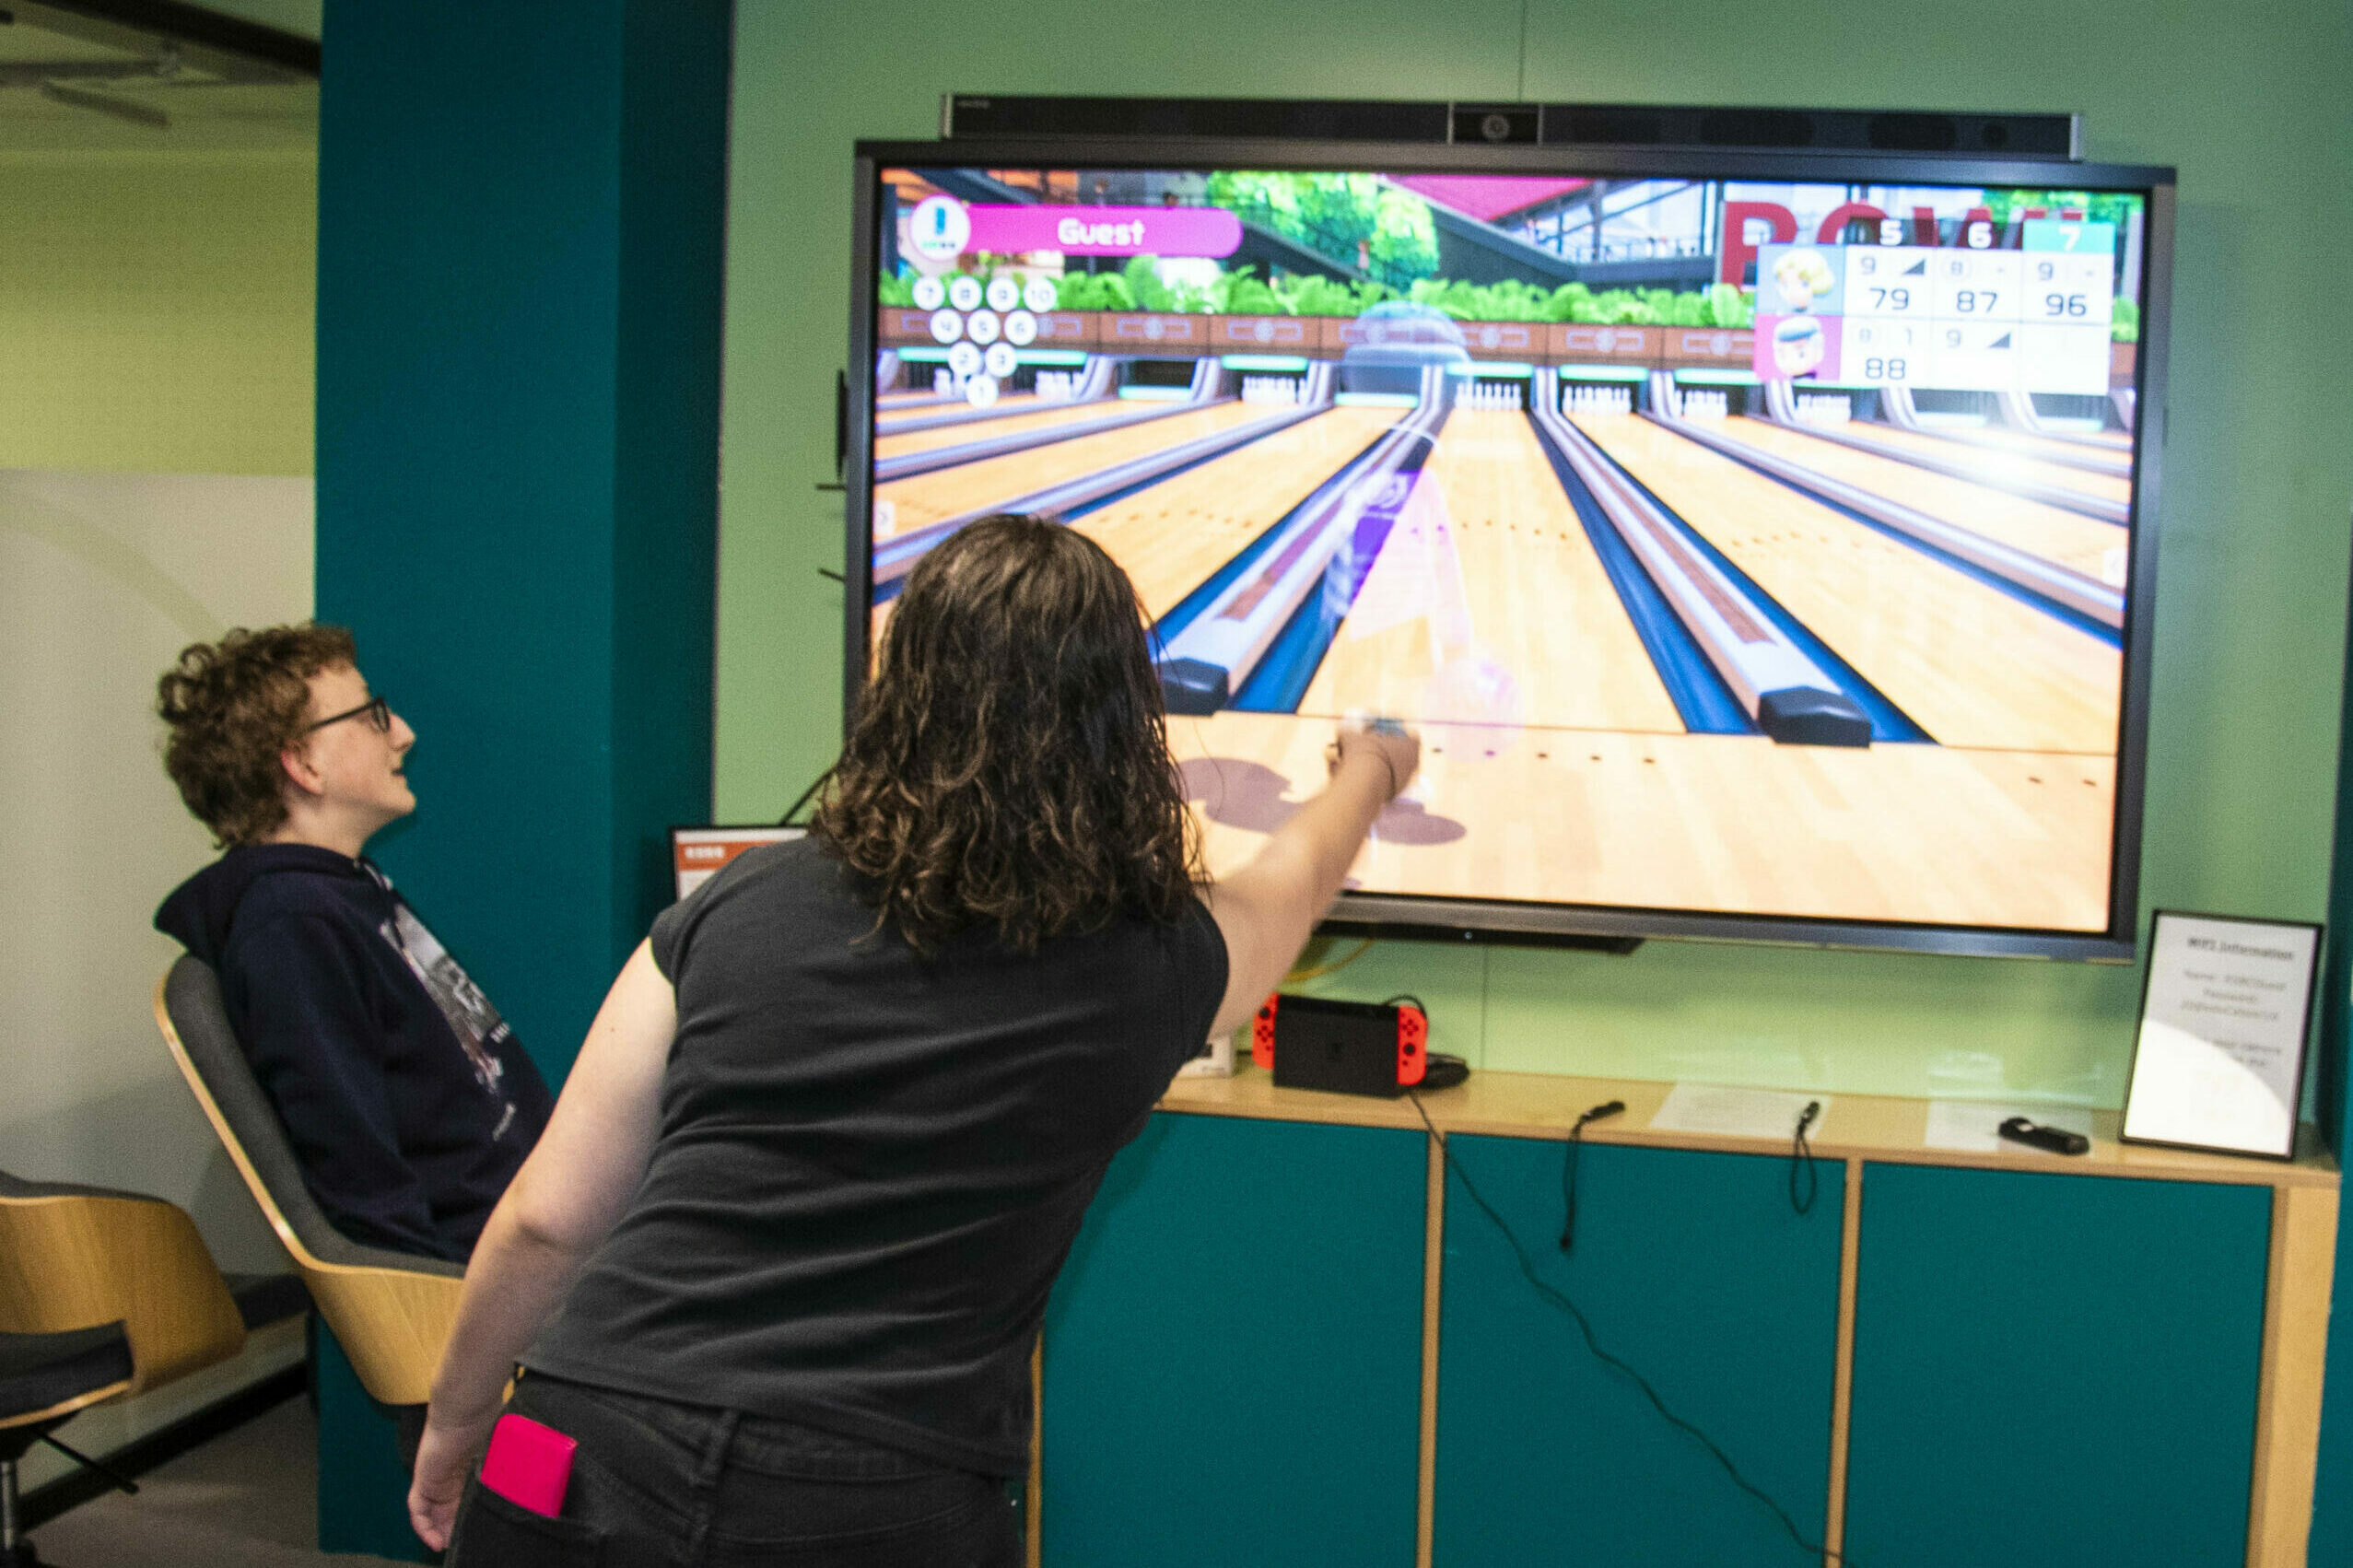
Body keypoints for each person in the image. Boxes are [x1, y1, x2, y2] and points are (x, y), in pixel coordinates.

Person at [407, 515, 1420, 1564]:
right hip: (877, 1496)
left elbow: (549, 1218)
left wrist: (455, 1421)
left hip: (583, 1441)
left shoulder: (741, 898)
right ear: (1125, 721)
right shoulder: (1154, 963)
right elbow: (1288, 886)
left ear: (898, 694)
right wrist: (1372, 769)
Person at [154, 624, 553, 1263]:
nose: (403, 733)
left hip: (543, 1230)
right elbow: (365, 1188)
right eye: (371, 716)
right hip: (498, 1271)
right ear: (303, 763)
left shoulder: (345, 889)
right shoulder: (291, 927)